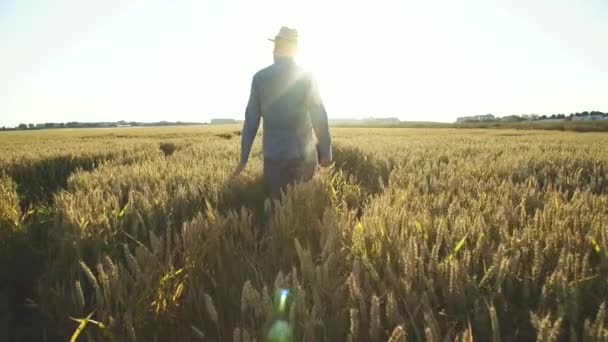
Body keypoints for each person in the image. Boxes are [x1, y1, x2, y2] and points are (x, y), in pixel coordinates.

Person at [233, 26, 332, 222]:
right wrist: (327, 150)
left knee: (276, 211)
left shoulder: (260, 78)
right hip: (304, 156)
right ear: (294, 50)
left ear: (277, 48)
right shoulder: (307, 77)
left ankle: (274, 246)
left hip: (275, 158)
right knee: (304, 210)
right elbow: (318, 113)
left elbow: (251, 120)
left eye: (276, 45)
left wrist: (243, 159)